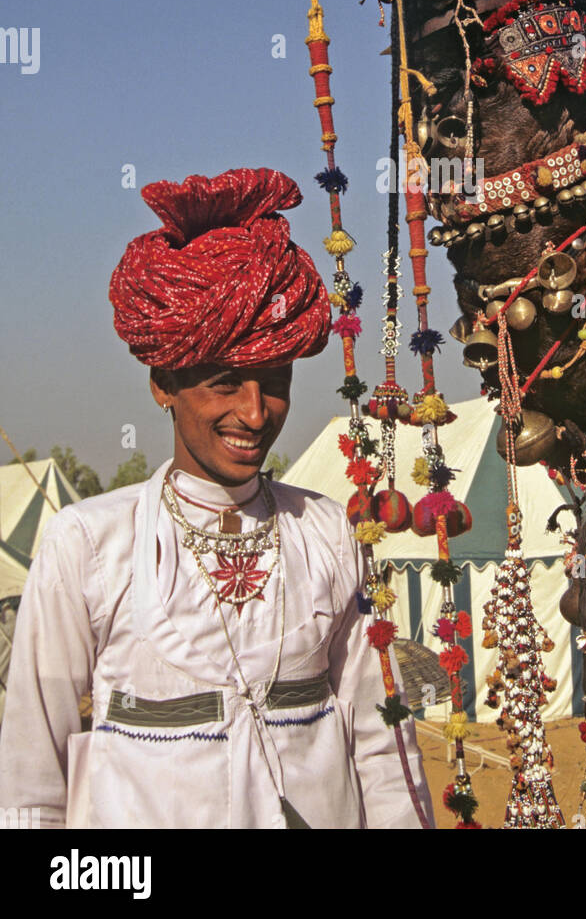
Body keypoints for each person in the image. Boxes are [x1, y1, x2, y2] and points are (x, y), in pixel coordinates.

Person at [0, 167, 434, 829]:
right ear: (163, 384)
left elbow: (381, 741)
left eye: (274, 381)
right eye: (226, 384)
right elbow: (35, 774)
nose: (255, 414)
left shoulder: (326, 531)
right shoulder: (89, 544)